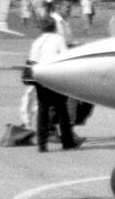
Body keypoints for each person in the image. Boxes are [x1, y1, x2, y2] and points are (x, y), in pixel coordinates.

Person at [28, 19, 79, 152]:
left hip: (41, 77)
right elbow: (65, 56)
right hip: (55, 77)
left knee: (43, 111)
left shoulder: (37, 42)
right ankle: (67, 142)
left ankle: (42, 144)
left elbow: (32, 61)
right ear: (55, 27)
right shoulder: (58, 39)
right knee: (62, 110)